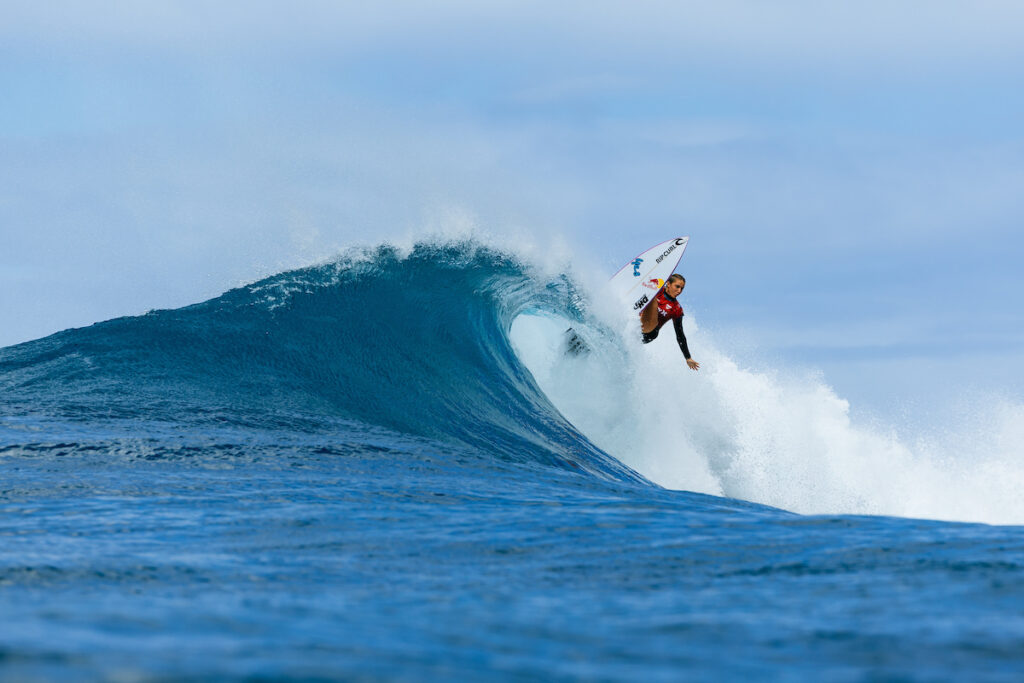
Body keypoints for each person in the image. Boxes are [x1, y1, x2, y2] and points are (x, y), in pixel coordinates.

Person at [640, 274, 700, 371]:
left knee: (652, 297)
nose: (679, 291)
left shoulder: (676, 308)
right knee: (650, 291)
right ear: (668, 284)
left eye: (682, 288)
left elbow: (680, 335)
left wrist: (687, 357)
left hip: (649, 333)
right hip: (636, 326)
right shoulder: (658, 289)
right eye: (677, 286)